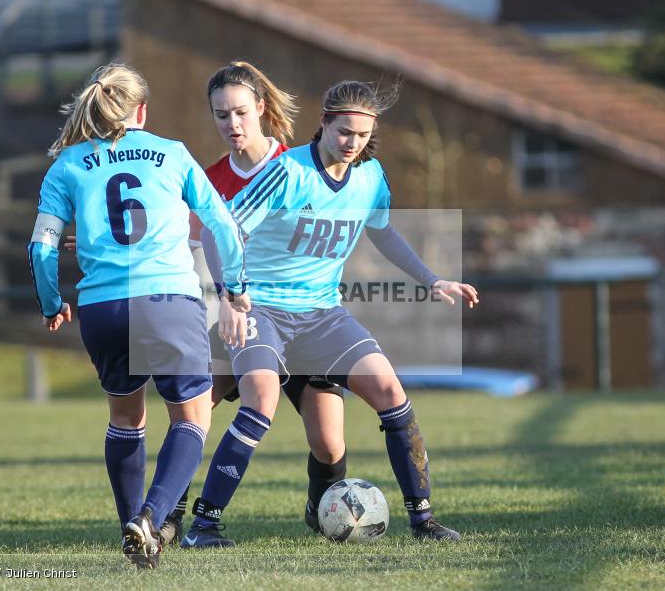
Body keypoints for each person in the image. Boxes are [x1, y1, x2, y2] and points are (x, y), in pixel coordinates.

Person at [181, 80, 479, 549]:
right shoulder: (285, 172)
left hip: (322, 314)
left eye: (362, 136)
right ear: (324, 123)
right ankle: (203, 525)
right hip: (264, 309)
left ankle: (423, 521)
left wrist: (431, 279)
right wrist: (232, 298)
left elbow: (382, 233)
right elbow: (221, 232)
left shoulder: (370, 177)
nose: (352, 143)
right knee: (259, 400)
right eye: (344, 133)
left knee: (384, 395)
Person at [27, 62, 249, 569]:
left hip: (102, 306)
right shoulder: (171, 153)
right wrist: (234, 288)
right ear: (141, 110)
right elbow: (222, 224)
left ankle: (133, 533)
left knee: (126, 417)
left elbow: (41, 246)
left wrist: (49, 301)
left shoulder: (66, 165)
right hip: (168, 300)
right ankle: (150, 518)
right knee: (192, 419)